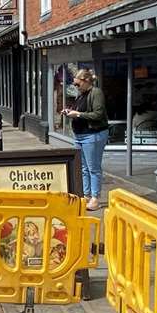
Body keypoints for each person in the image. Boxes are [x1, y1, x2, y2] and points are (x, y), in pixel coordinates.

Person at [61, 67, 109, 210]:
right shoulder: (81, 94)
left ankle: (95, 198)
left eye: (77, 84)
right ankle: (86, 195)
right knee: (83, 168)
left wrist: (78, 115)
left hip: (93, 134)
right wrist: (70, 112)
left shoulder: (96, 93)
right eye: (74, 84)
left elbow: (98, 114)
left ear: (86, 81)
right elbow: (80, 110)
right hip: (80, 135)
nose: (76, 87)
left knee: (93, 168)